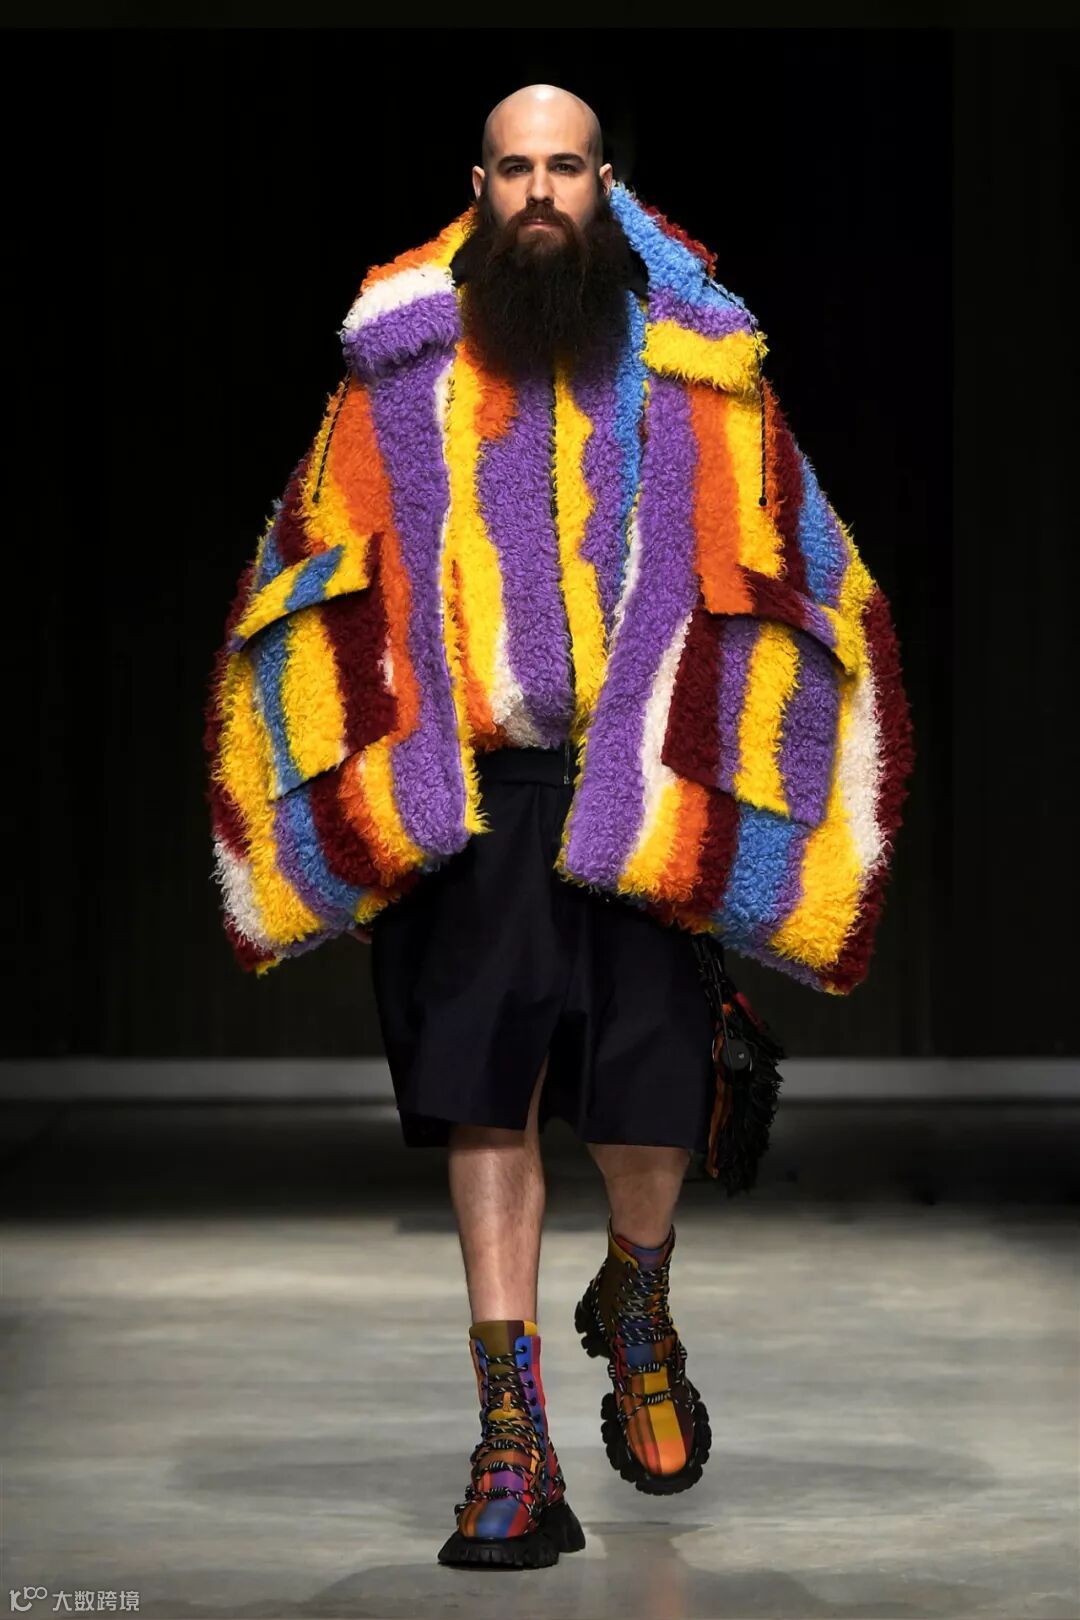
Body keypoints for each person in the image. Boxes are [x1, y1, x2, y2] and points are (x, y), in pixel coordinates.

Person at [204, 83, 914, 1572]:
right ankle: (511, 1439)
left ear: (605, 184)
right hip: (473, 788)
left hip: (640, 779)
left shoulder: (696, 360)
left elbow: (802, 553)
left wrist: (782, 787)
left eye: (565, 167)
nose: (540, 191)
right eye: (516, 168)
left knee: (651, 1101)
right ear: (479, 187)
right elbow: (311, 561)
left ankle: (637, 1298)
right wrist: (342, 793)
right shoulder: (400, 368)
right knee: (491, 1094)